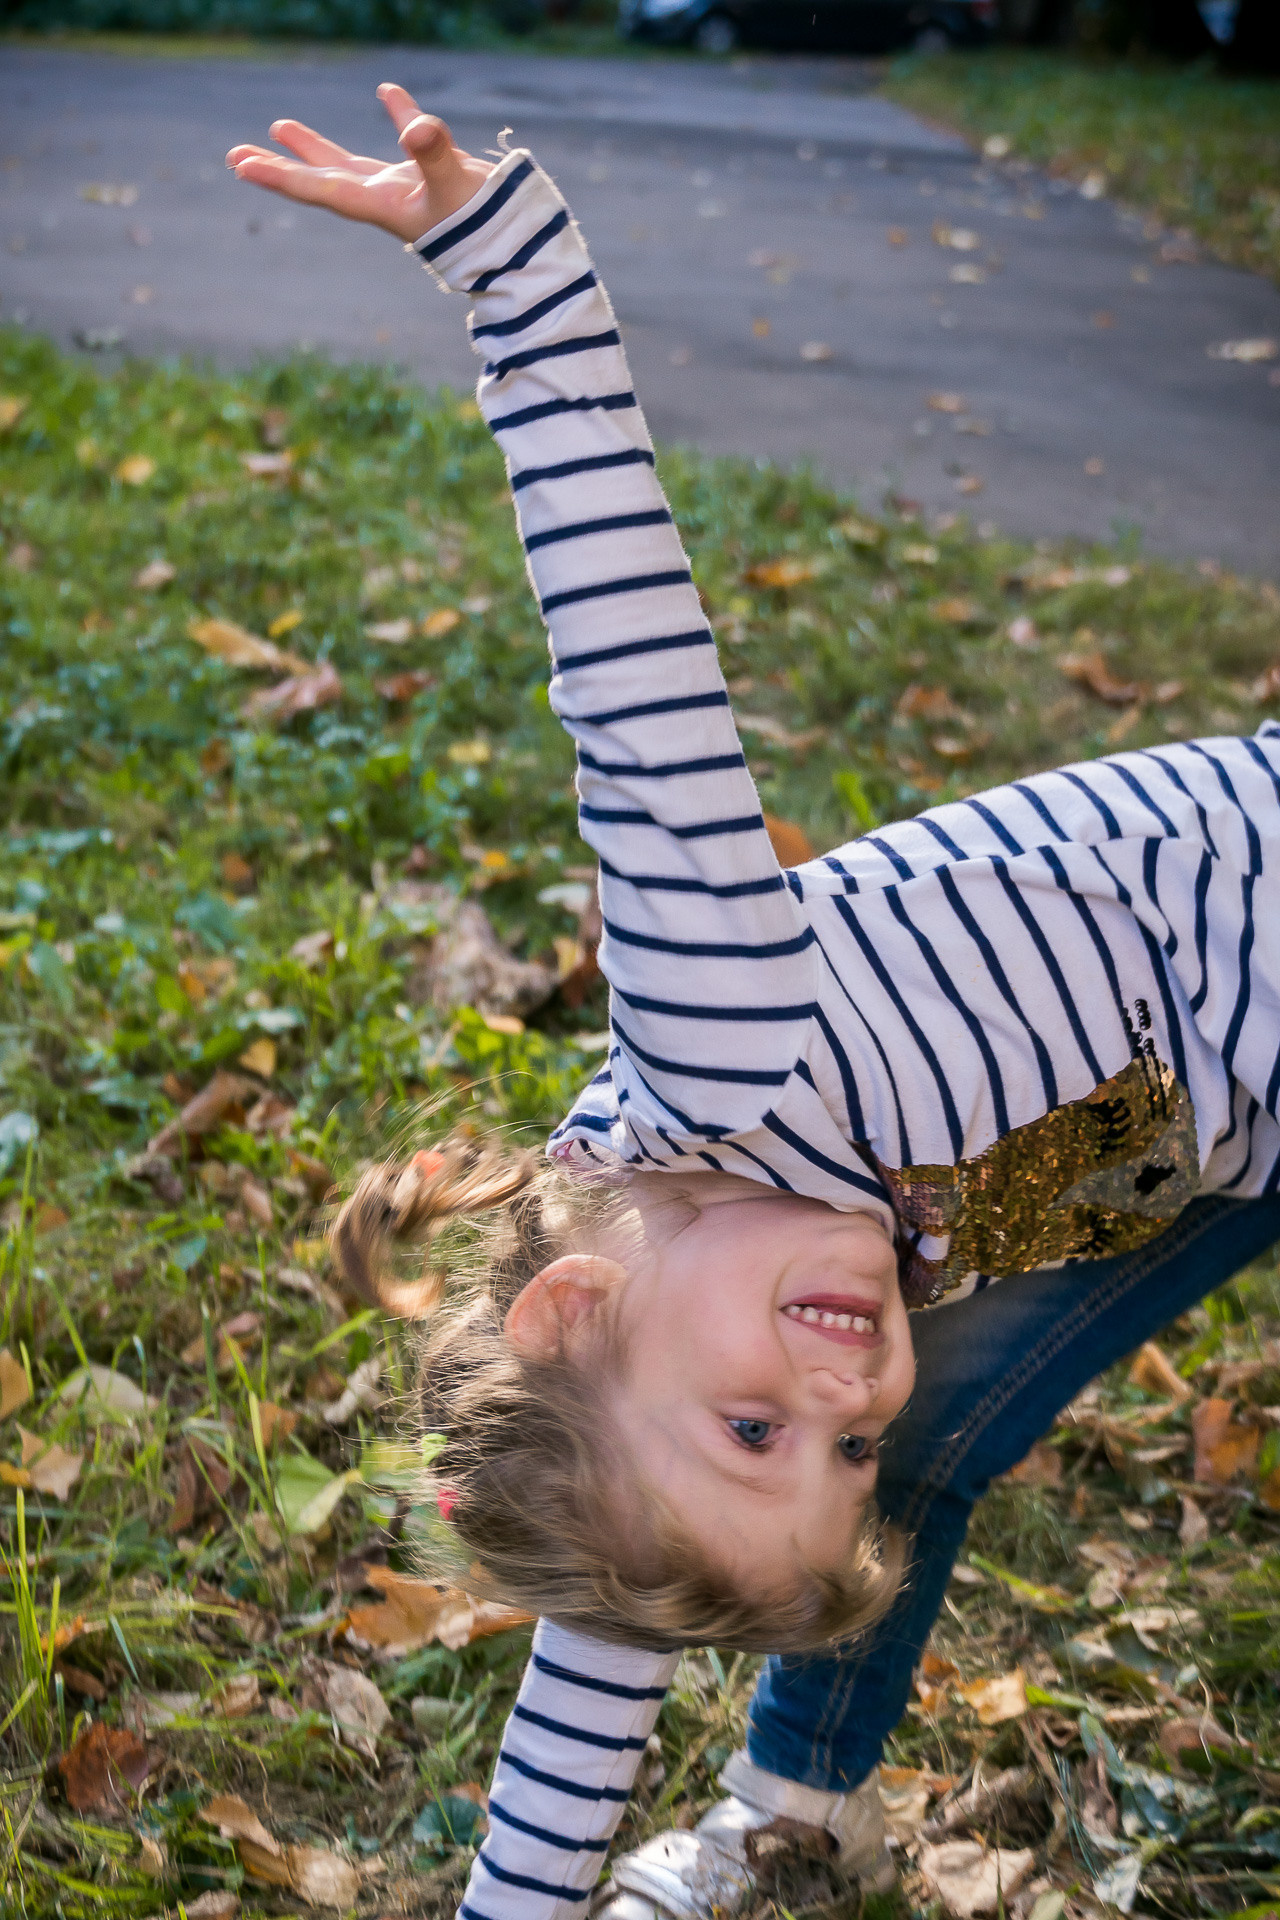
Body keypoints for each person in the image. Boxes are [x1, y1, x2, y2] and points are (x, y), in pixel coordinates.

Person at [228, 90, 1280, 1920]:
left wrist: (508, 273)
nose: (847, 1397)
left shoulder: (719, 1035)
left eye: (760, 1430)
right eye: (841, 1451)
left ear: (574, 1305)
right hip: (1209, 1136)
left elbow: (632, 672)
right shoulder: (690, 1325)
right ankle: (801, 1814)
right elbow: (605, 1648)